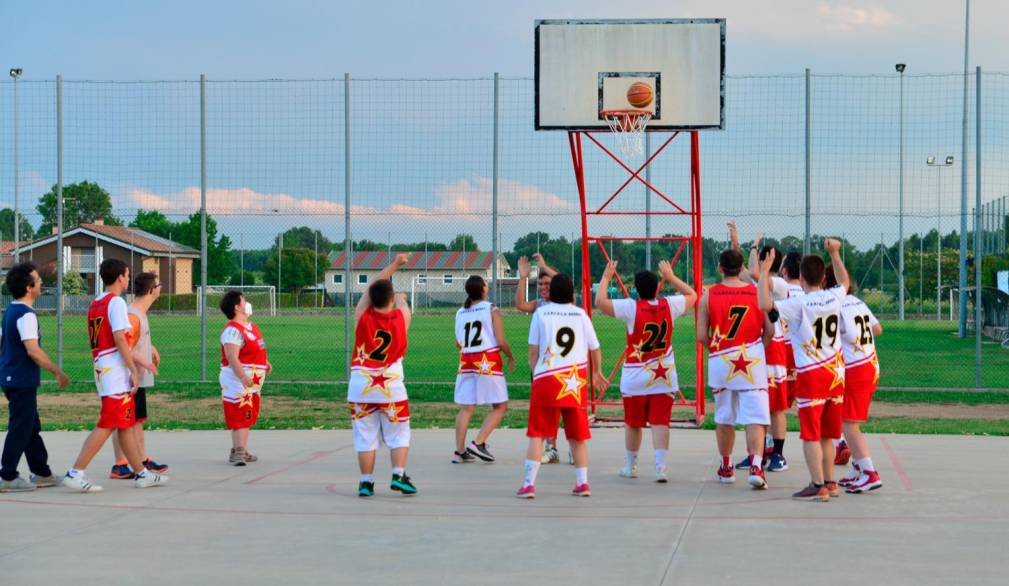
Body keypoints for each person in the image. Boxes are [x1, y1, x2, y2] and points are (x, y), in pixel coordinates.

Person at [62, 259, 168, 492]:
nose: (129, 279)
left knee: (126, 423)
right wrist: (132, 369)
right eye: (127, 275)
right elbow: (121, 339)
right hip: (114, 370)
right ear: (120, 277)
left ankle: (141, 473)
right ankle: (75, 472)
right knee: (109, 423)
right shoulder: (117, 303)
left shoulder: (96, 302)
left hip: (102, 366)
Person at [758, 239, 849, 501]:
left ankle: (817, 483)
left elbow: (766, 305)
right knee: (829, 434)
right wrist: (835, 253)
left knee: (811, 434)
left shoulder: (798, 304)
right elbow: (845, 282)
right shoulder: (833, 296)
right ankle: (831, 481)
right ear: (822, 276)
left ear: (800, 276)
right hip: (836, 374)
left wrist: (764, 272)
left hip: (812, 374)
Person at [595, 259, 696, 483]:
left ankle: (631, 466)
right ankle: (661, 468)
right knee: (661, 422)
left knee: (633, 423)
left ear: (636, 290)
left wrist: (606, 277)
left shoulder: (631, 307)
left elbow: (600, 302)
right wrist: (671, 277)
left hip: (635, 376)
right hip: (664, 375)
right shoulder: (669, 305)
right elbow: (693, 295)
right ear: (657, 287)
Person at [517, 274, 606, 499]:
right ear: (571, 292)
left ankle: (529, 485)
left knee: (537, 433)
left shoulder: (541, 314)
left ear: (552, 291)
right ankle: (583, 483)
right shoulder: (581, 315)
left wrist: (536, 372)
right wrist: (597, 372)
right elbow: (595, 347)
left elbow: (533, 350)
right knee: (577, 436)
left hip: (546, 378)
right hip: (574, 381)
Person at [697, 249, 773, 490]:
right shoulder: (757, 293)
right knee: (755, 417)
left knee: (724, 416)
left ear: (720, 268)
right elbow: (770, 332)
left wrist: (720, 351)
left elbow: (701, 336)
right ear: (742, 268)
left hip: (721, 360)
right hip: (750, 358)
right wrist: (755, 348)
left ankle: (726, 466)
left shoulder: (707, 296)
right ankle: (756, 466)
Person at [348, 254, 416, 497]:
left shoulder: (362, 317)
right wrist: (401, 299)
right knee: (399, 433)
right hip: (391, 386)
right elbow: (405, 308)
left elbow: (370, 289)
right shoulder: (401, 317)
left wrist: (394, 266)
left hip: (360, 384)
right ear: (391, 299)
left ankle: (366, 482)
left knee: (365, 436)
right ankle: (398, 475)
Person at [0, 263, 70, 492]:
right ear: (29, 287)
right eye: (38, 280)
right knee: (21, 427)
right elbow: (33, 350)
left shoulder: (10, 310)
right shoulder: (26, 315)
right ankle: (8, 476)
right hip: (20, 380)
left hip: (13, 378)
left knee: (30, 426)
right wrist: (56, 371)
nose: (41, 283)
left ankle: (41, 473)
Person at [826, 266, 884, 494]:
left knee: (849, 424)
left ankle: (869, 472)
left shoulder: (835, 305)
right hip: (870, 365)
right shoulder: (857, 302)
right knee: (845, 420)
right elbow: (878, 329)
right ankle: (858, 468)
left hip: (856, 369)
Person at [109, 271, 167, 479]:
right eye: (159, 285)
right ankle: (120, 463)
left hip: (138, 375)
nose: (161, 288)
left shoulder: (140, 313)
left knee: (137, 419)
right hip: (130, 376)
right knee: (125, 420)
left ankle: (142, 459)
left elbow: (136, 341)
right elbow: (124, 346)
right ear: (151, 290)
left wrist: (151, 348)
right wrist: (146, 363)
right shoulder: (133, 315)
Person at [453, 276, 515, 463]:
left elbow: (458, 343)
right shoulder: (491, 309)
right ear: (482, 288)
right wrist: (510, 356)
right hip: (487, 359)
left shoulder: (460, 312)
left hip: (466, 361)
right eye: (486, 283)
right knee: (500, 406)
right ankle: (478, 443)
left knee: (466, 408)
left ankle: (460, 451)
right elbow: (501, 340)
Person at [515, 253, 565, 465]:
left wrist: (544, 266)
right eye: (541, 283)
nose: (543, 287)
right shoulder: (538, 306)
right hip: (543, 366)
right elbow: (519, 305)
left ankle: (572, 444)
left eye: (547, 283)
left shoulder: (564, 303)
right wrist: (523, 278)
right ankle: (551, 447)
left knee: (567, 407)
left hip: (563, 364)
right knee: (547, 408)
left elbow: (565, 283)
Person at [219, 291, 271, 465]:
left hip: (253, 380)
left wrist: (265, 363)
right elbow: (232, 356)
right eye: (244, 301)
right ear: (237, 307)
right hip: (238, 380)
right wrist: (242, 376)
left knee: (247, 413)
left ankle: (239, 449)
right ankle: (239, 452)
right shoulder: (232, 330)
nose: (247, 303)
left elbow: (255, 349)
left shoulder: (251, 327)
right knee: (241, 412)